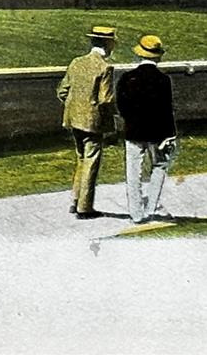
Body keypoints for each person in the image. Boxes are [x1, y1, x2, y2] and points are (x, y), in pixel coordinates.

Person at [55, 25, 117, 219]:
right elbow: (106, 99)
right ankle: (85, 207)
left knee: (81, 159)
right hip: (92, 122)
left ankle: (75, 200)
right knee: (91, 162)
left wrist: (75, 107)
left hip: (74, 119)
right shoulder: (105, 67)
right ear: (107, 44)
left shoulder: (76, 62)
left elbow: (62, 91)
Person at [117, 35, 179, 224]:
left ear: (139, 54)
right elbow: (167, 109)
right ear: (158, 57)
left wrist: (130, 121)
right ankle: (151, 207)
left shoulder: (127, 78)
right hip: (158, 133)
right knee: (159, 167)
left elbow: (121, 105)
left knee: (133, 172)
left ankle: (136, 213)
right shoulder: (164, 80)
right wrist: (171, 135)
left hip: (134, 131)